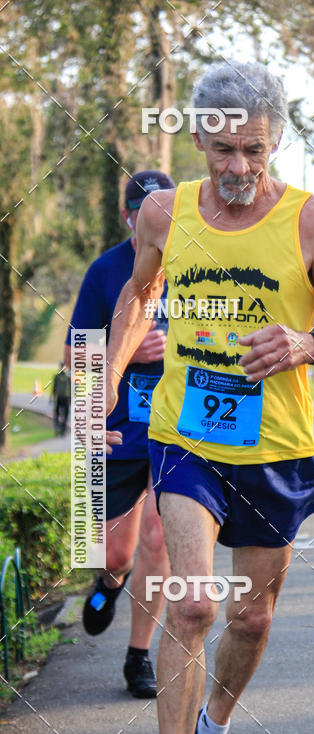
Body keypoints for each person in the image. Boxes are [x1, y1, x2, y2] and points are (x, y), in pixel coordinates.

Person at [105, 61, 314, 734]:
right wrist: (100, 391)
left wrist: (308, 342)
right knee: (194, 607)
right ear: (197, 139)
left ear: (277, 141)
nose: (239, 169)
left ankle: (215, 729)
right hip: (186, 437)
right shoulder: (162, 212)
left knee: (251, 618)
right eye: (224, 151)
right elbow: (137, 297)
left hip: (276, 449)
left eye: (255, 151)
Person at [64, 170, 175, 697]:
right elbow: (73, 356)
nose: (152, 217)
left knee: (160, 536)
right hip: (119, 429)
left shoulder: (196, 266)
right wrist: (126, 350)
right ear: (128, 215)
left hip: (179, 429)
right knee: (116, 555)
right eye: (141, 208)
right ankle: (109, 582)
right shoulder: (105, 271)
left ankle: (139, 657)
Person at [52, 363, 71, 435]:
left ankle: (57, 427)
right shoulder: (68, 377)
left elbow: (54, 388)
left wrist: (52, 398)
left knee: (57, 413)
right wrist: (71, 400)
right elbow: (71, 390)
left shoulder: (56, 376)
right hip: (66, 398)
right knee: (66, 414)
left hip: (58, 397)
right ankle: (63, 430)